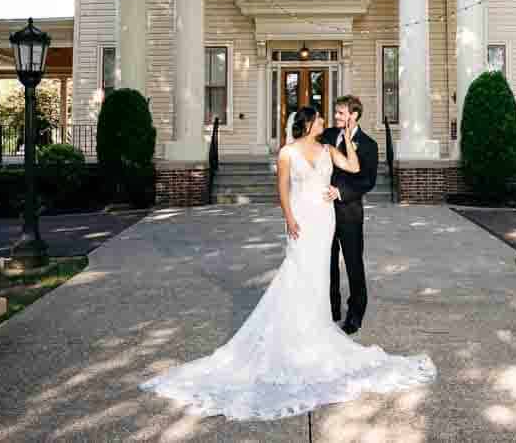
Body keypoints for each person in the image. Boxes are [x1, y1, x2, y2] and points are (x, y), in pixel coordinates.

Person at [139, 106, 435, 420]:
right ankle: (294, 328)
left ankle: (318, 324)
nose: (325, 121)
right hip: (301, 218)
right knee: (297, 270)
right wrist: (289, 218)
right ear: (308, 124)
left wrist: (348, 138)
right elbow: (282, 189)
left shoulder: (328, 147)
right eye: (320, 118)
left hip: (324, 219)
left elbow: (353, 164)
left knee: (320, 273)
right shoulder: (287, 153)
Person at [319, 95, 378, 334]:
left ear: (354, 115)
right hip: (322, 211)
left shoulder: (369, 145)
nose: (336, 117)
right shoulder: (328, 135)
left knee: (354, 263)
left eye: (341, 113)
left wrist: (341, 192)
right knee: (327, 262)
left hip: (349, 212)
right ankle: (331, 309)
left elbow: (367, 181)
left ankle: (354, 314)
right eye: (336, 113)